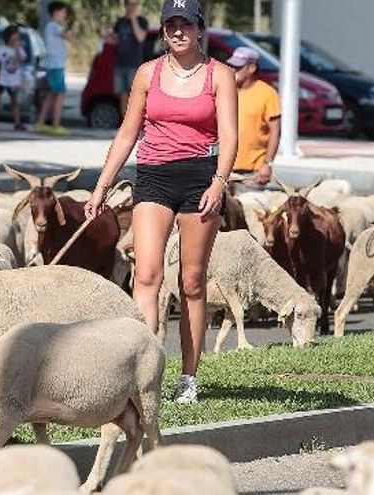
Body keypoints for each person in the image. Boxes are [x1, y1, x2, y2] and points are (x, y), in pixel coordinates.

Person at [85, 0, 237, 404]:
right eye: (170, 24)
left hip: (200, 179)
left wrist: (219, 184)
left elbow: (230, 137)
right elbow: (126, 133)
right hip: (152, 175)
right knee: (147, 275)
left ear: (200, 28)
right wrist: (102, 185)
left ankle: (188, 378)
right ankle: (140, 374)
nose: (177, 31)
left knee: (191, 282)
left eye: (185, 24)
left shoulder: (218, 75)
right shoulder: (147, 73)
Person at [227, 47, 280, 186]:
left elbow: (275, 131)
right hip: (225, 168)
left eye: (238, 67)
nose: (233, 70)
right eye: (232, 66)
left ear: (252, 68)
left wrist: (267, 164)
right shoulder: (225, 91)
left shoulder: (267, 94)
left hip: (253, 173)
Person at [35, 2, 80, 137]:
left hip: (53, 66)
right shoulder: (53, 26)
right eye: (63, 12)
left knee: (51, 96)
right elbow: (64, 35)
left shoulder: (53, 26)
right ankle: (55, 125)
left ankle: (40, 123)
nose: (64, 15)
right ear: (56, 12)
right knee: (60, 95)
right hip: (55, 66)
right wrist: (75, 41)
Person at [108, 0, 149, 119]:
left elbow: (140, 37)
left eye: (135, 4)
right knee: (123, 96)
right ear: (125, 6)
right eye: (130, 4)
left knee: (136, 96)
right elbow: (116, 39)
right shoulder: (120, 22)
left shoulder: (142, 21)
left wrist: (133, 20)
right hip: (120, 63)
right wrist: (107, 38)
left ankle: (138, 125)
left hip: (134, 64)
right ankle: (124, 125)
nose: (132, 7)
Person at [0, 25, 27, 131]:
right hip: (2, 79)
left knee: (14, 101)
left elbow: (22, 60)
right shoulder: (1, 49)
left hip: (14, 80)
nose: (15, 38)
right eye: (13, 35)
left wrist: (17, 48)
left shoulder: (19, 49)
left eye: (16, 36)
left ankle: (17, 123)